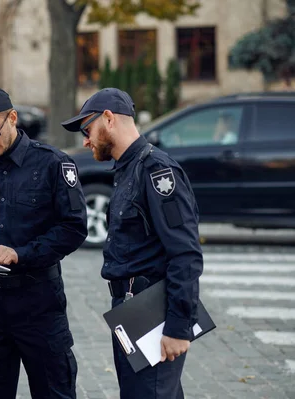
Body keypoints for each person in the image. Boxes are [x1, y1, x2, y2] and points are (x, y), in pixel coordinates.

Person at [61, 88, 203, 399]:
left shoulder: (156, 170)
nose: (85, 140)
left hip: (152, 310)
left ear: (108, 119)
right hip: (130, 310)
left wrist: (178, 327)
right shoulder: (128, 169)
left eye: (87, 130)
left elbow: (185, 253)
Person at [0, 87, 88, 399]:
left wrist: (21, 254)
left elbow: (73, 228)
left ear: (13, 118)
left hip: (39, 302)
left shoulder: (52, 164)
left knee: (55, 391)